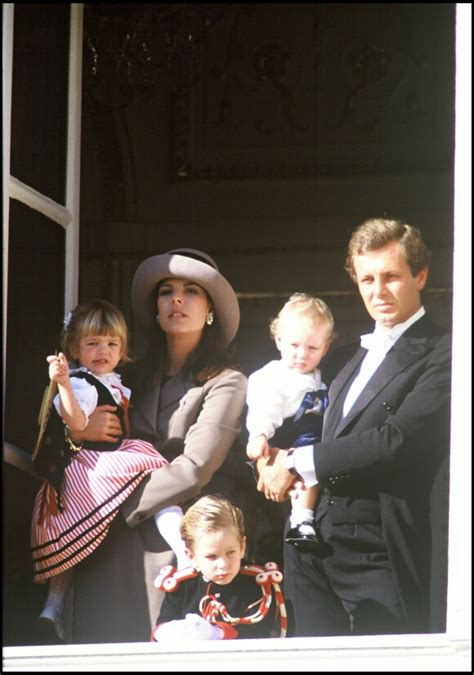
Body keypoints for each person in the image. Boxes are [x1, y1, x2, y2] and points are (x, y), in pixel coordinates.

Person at [256, 218, 451, 636]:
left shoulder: (445, 351)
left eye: (390, 277)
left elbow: (396, 439)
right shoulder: (340, 357)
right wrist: (266, 454)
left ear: (420, 275)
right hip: (308, 540)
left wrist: (297, 461)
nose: (377, 291)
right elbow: (291, 413)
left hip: (379, 545)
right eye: (367, 279)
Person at [62, 249, 247, 643]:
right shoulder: (120, 375)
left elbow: (194, 467)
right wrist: (79, 432)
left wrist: (108, 504)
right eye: (166, 291)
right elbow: (68, 442)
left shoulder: (227, 381)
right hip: (106, 544)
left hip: (178, 543)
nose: (176, 299)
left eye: (191, 291)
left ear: (210, 309)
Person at [31, 300, 189, 642]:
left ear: (122, 350)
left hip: (100, 462)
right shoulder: (81, 384)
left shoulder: (113, 381)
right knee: (155, 470)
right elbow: (74, 421)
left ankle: (53, 606)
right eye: (92, 343)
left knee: (74, 536)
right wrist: (62, 385)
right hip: (91, 465)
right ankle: (181, 548)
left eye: (111, 344)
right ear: (74, 348)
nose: (103, 351)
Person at [246, 293, 334, 554]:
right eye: (294, 345)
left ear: (325, 348)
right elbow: (264, 406)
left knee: (312, 470)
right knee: (305, 472)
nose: (301, 355)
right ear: (278, 340)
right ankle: (302, 519)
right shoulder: (272, 376)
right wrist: (259, 435)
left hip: (312, 435)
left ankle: (302, 517)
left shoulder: (319, 377)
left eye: (312, 348)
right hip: (285, 435)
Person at [152, 494, 287, 641]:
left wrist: (218, 633)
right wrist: (172, 632)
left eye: (230, 553)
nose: (223, 565)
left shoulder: (258, 584)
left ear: (242, 546)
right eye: (211, 557)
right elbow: (161, 633)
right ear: (191, 556)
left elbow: (261, 635)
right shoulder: (183, 586)